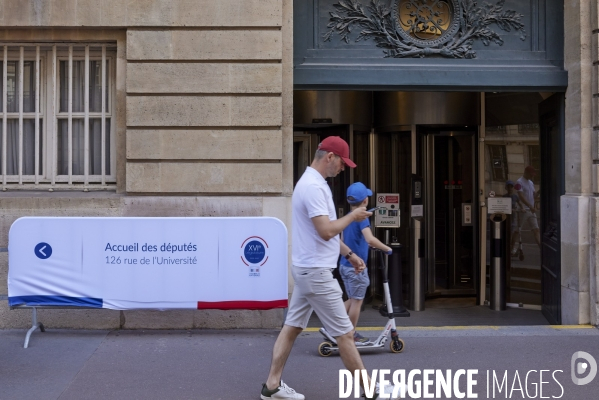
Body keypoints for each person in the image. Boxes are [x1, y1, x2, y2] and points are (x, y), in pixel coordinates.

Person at [261, 136, 403, 400]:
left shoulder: (312, 184)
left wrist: (349, 255)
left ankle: (271, 386)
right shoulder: (314, 188)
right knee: (346, 335)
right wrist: (353, 216)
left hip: (307, 269)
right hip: (316, 273)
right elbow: (326, 231)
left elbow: (325, 234)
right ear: (330, 157)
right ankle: (370, 391)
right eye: (342, 163)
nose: (343, 169)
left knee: (291, 327)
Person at [339, 182, 392, 345]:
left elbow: (343, 240)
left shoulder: (347, 217)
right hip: (356, 267)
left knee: (352, 298)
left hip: (344, 264)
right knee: (357, 301)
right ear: (365, 201)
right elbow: (370, 238)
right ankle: (350, 333)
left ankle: (334, 323)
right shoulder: (362, 219)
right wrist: (387, 249)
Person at [516, 166, 541, 248]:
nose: (532, 176)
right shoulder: (519, 182)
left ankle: (541, 247)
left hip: (531, 210)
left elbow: (533, 195)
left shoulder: (531, 182)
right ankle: (513, 247)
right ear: (525, 173)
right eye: (531, 174)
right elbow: (520, 196)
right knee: (517, 230)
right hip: (523, 210)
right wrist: (529, 206)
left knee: (536, 229)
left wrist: (539, 192)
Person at [503, 180, 522, 257]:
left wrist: (522, 208)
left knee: (512, 234)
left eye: (511, 187)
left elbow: (520, 204)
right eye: (508, 187)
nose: (510, 188)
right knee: (507, 234)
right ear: (506, 188)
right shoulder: (504, 197)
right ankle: (507, 249)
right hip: (506, 219)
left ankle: (512, 248)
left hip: (513, 219)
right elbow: (502, 207)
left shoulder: (515, 196)